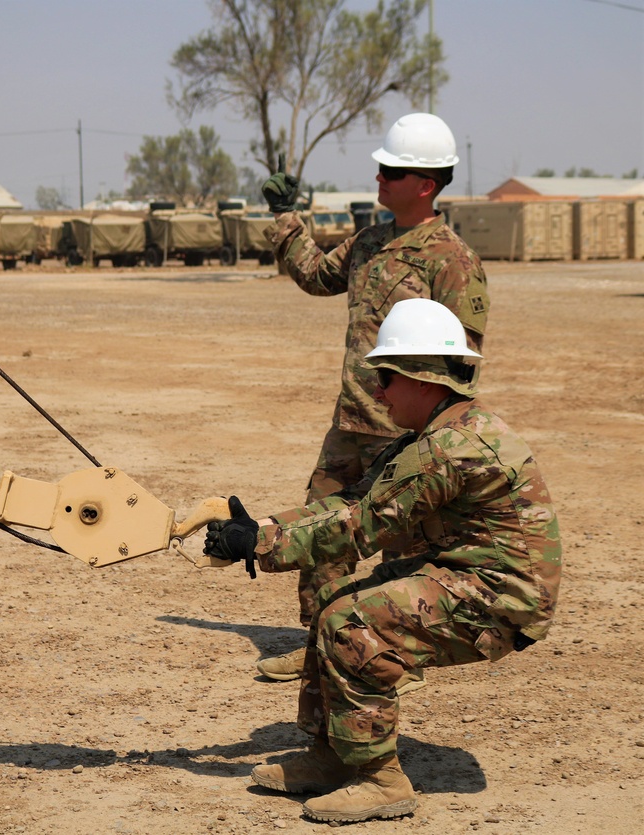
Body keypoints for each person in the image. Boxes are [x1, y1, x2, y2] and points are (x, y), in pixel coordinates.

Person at [203, 298, 562, 823]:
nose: (376, 390)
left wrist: (256, 546)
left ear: (423, 380)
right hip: (468, 574)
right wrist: (260, 528)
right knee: (333, 598)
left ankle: (381, 780)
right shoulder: (433, 434)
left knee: (355, 623)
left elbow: (360, 527)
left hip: (502, 602)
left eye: (386, 377)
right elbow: (350, 502)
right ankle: (332, 755)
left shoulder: (450, 448)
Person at [256, 112, 490, 683]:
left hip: (407, 433)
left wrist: (430, 438)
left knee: (401, 552)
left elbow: (460, 363)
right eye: (381, 169)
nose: (379, 177)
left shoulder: (453, 262)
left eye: (391, 171)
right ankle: (319, 645)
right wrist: (286, 218)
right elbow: (315, 275)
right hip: (352, 422)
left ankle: (383, 648)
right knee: (319, 535)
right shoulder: (370, 241)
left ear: (426, 184)